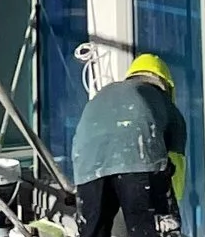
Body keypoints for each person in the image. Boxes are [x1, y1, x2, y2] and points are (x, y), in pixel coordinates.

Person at [69, 49, 187, 237]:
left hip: (88, 168)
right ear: (165, 83)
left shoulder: (106, 94)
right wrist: (168, 205)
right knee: (153, 230)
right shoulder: (163, 103)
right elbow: (176, 166)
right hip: (139, 159)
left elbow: (82, 141)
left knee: (92, 232)